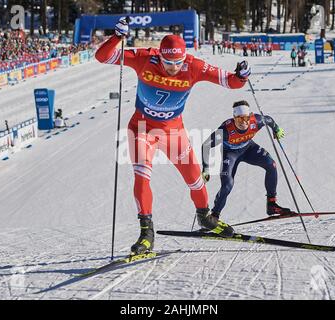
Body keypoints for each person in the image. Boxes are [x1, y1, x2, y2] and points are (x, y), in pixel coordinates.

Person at [95, 17, 251, 253]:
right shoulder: (145, 58)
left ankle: (205, 217)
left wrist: (242, 75)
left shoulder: (194, 66)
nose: (173, 67)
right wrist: (117, 36)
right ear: (160, 55)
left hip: (173, 131)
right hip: (142, 129)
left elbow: (232, 82)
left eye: (177, 62)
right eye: (168, 62)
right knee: (142, 176)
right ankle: (146, 232)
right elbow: (102, 56)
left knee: (195, 178)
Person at [201, 100, 291, 234]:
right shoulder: (225, 131)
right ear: (234, 118)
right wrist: (206, 168)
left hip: (249, 148)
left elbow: (269, 120)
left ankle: (271, 204)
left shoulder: (257, 121)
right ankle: (213, 217)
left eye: (246, 118)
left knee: (271, 165)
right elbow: (206, 145)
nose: (244, 122)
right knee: (227, 185)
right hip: (230, 154)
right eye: (239, 118)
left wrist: (276, 129)